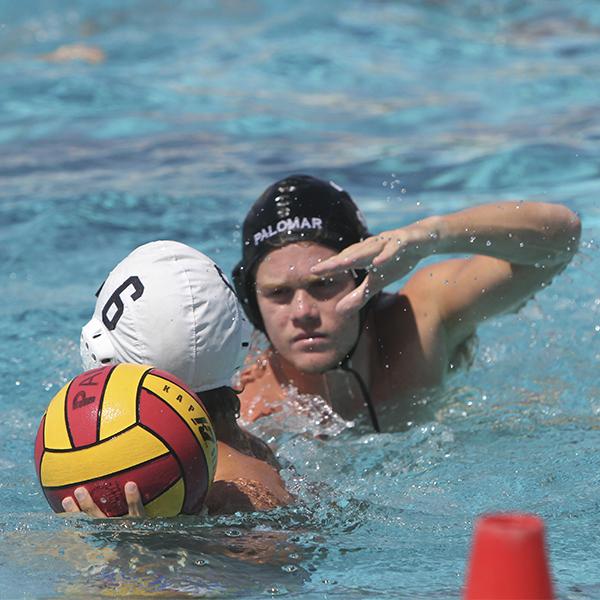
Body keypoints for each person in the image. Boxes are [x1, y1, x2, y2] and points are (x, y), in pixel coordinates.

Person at [232, 174, 582, 431]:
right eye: (278, 293)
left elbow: (561, 239)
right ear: (252, 303)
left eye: (324, 284)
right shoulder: (250, 405)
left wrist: (432, 237)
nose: (303, 312)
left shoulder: (422, 317)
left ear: (363, 276)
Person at [61, 240, 292, 517]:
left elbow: (274, 555)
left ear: (99, 356)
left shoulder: (239, 498)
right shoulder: (253, 454)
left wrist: (139, 550)